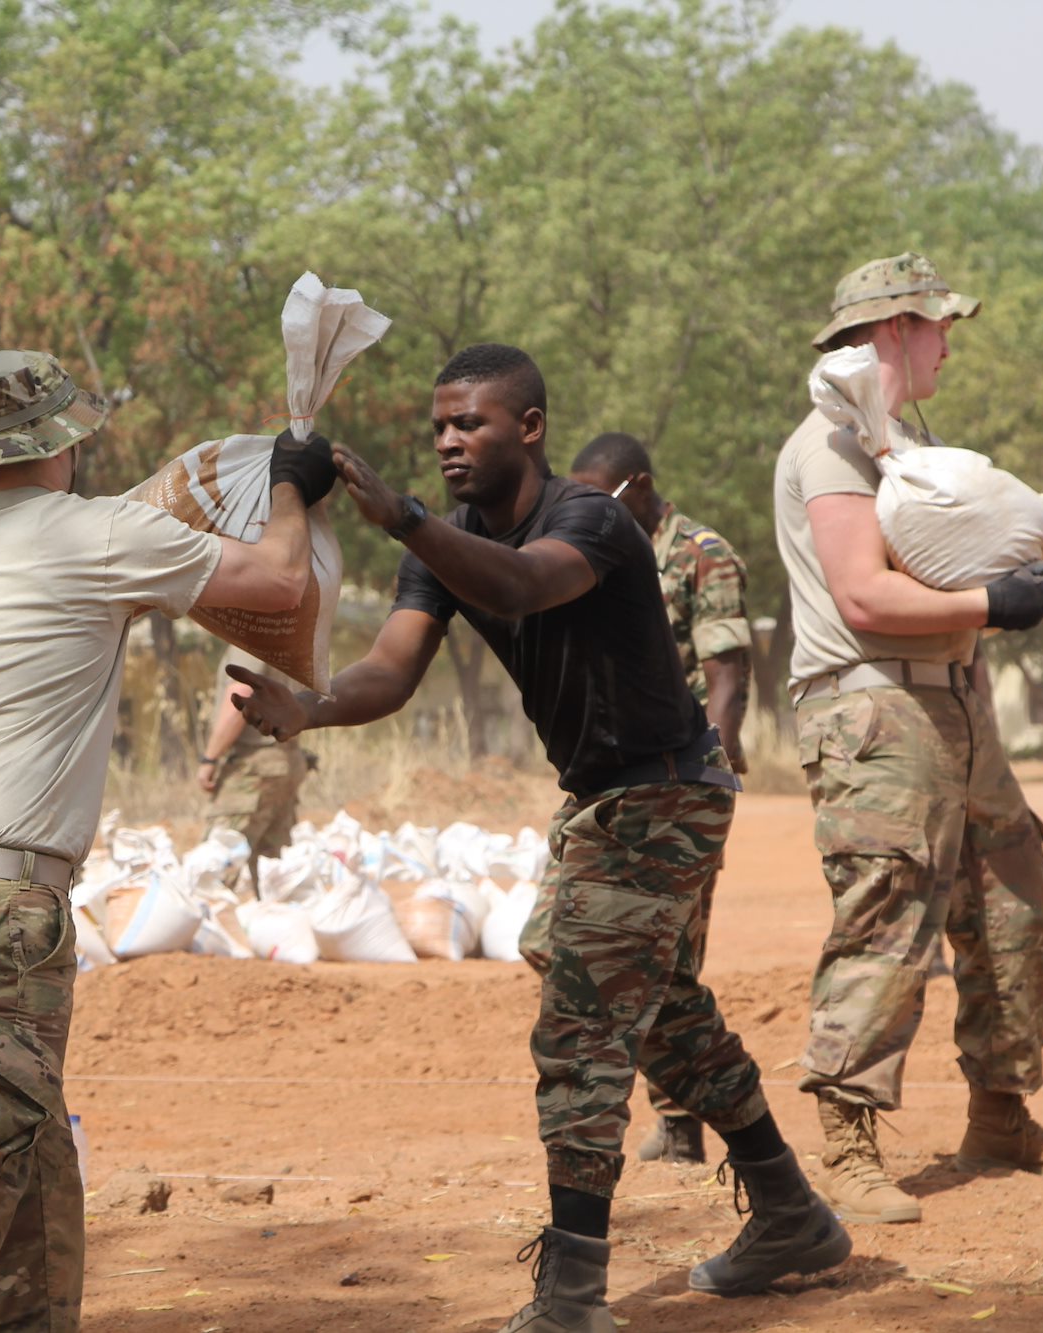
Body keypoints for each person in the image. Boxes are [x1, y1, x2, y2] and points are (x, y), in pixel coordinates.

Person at [233, 344, 847, 1330]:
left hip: (666, 790)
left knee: (581, 1021)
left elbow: (521, 586)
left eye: (466, 422)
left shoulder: (590, 520)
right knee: (632, 992)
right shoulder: (442, 542)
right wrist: (306, 707)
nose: (445, 441)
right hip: (601, 798)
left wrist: (402, 515)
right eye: (437, 426)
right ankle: (786, 1208)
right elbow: (390, 670)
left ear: (527, 426)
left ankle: (569, 1295)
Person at [0, 348, 326, 1331]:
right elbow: (277, 584)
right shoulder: (94, 534)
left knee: (27, 1175)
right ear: (62, 442)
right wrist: (289, 481)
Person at [777, 251, 1043, 1225]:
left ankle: (999, 1111)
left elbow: (939, 546)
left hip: (953, 694)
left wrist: (1037, 537)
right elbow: (862, 591)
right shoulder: (830, 442)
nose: (947, 341)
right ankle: (846, 1140)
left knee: (1008, 890)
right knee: (888, 905)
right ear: (888, 332)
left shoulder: (898, 438)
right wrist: (991, 601)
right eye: (936, 323)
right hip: (874, 704)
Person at [569, 431, 752, 1166]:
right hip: (614, 776)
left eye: (601, 492)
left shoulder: (701, 553)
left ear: (639, 484)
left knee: (671, 951)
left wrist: (710, 759)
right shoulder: (599, 547)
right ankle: (682, 1113)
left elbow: (727, 667)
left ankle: (692, 1123)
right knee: (602, 946)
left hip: (680, 778)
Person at [197, 645, 309, 894]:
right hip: (286, 759)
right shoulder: (286, 631)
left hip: (255, 765)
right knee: (272, 869)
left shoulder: (250, 636)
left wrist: (210, 758)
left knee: (218, 864)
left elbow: (241, 697)